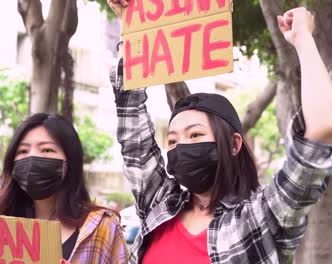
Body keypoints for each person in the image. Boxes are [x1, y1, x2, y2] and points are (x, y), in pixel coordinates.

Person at [107, 1, 332, 263]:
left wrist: (303, 36)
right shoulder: (160, 204)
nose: (181, 147)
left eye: (195, 135)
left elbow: (321, 130)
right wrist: (133, 28)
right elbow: (131, 123)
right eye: (172, 140)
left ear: (234, 144)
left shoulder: (260, 218)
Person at [0, 113, 129, 263]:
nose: (32, 158)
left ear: (70, 161)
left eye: (47, 150)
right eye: (23, 151)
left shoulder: (102, 228)